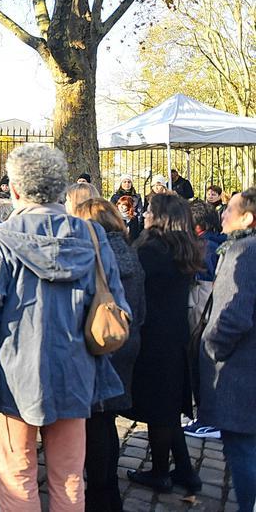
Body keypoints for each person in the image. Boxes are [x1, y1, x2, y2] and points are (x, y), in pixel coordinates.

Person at [0, 143, 130, 511]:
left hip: (10, 377)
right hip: (75, 371)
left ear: (16, 190)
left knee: (17, 480)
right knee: (69, 479)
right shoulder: (93, 237)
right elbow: (118, 304)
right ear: (59, 189)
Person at [124, 193, 205, 495]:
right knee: (168, 406)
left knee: (160, 408)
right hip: (174, 334)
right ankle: (185, 470)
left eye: (150, 212)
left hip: (152, 336)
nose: (144, 215)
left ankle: (160, 472)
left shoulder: (152, 249)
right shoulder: (183, 246)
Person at [71, 199, 146, 512]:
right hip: (124, 341)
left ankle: (100, 494)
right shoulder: (130, 250)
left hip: (97, 344)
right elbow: (139, 309)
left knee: (96, 423)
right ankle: (108, 490)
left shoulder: (96, 256)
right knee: (106, 421)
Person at [200, 188, 256, 512]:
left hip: (241, 369)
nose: (222, 214)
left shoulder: (244, 251)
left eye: (229, 210)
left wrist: (213, 347)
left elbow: (233, 315)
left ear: (247, 217)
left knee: (243, 449)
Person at [182, 200, 226, 441]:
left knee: (200, 359)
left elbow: (201, 285)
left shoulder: (204, 247)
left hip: (202, 307)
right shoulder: (219, 244)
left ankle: (207, 418)